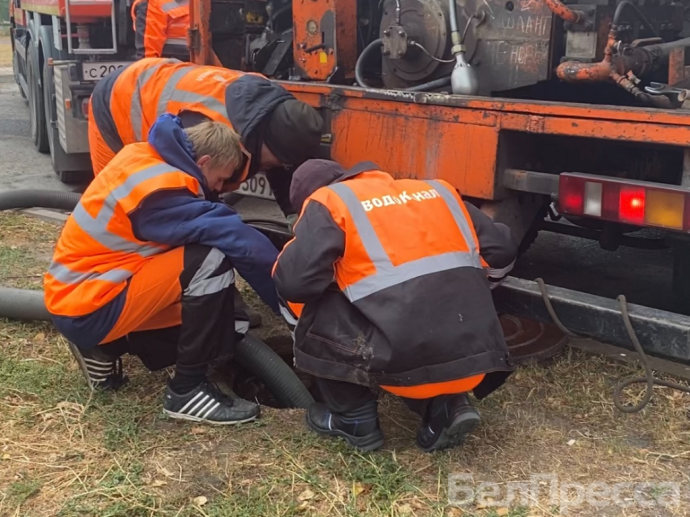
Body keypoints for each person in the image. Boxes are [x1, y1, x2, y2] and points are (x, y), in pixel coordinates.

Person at [44, 114, 281, 425]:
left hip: (84, 294)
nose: (220, 188)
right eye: (221, 179)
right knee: (209, 260)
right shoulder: (162, 192)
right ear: (205, 160)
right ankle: (187, 392)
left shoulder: (146, 155)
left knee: (227, 316)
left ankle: (104, 347)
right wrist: (289, 299)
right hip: (89, 306)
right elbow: (237, 240)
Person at [273, 160, 518, 452]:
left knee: (298, 294)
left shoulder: (329, 202)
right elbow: (503, 250)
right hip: (474, 359)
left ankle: (353, 417)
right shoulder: (437, 191)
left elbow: (294, 283)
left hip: (400, 367)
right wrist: (475, 293)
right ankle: (447, 404)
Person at [88, 58, 322, 327]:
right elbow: (212, 225)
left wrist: (299, 222)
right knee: (136, 220)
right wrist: (290, 309)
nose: (276, 167)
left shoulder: (271, 111)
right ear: (259, 141)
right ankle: (122, 301)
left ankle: (206, 293)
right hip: (117, 100)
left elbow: (282, 173)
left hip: (159, 81)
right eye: (276, 159)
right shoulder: (200, 128)